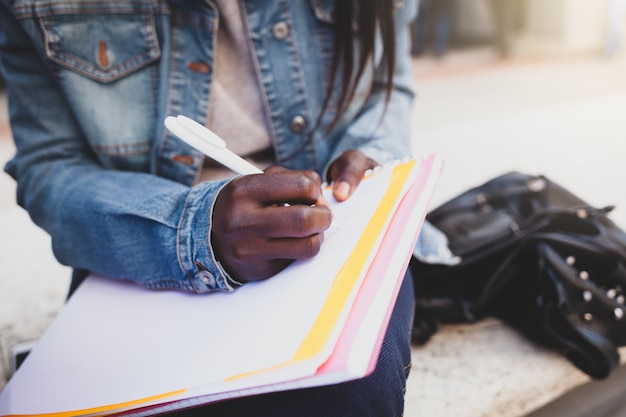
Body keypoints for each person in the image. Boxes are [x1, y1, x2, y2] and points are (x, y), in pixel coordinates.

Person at [0, 0, 442, 415]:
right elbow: (50, 168)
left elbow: (387, 85)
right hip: (141, 225)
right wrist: (196, 229)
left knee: (351, 380)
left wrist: (371, 155)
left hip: (327, 224)